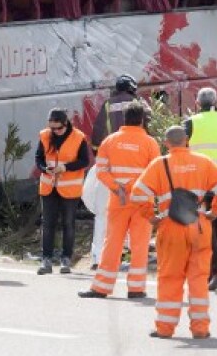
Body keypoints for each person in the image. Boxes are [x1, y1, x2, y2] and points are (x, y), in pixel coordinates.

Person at [132, 125, 217, 340]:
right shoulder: (203, 162)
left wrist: (151, 216)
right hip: (199, 227)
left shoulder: (159, 164)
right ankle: (200, 328)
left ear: (166, 143)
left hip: (171, 228)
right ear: (187, 140)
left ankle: (165, 328)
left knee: (170, 278)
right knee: (198, 279)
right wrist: (214, 211)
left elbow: (138, 194)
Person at [78, 101, 158, 299]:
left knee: (112, 243)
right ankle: (136, 289)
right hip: (142, 201)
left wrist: (116, 187)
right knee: (139, 245)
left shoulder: (110, 141)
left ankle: (101, 288)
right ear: (142, 120)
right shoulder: (150, 143)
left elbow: (101, 170)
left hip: (117, 200)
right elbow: (156, 174)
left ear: (124, 118)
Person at [184, 87, 217, 292]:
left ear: (197, 103)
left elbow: (181, 148)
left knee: (205, 228)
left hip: (202, 182)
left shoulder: (191, 122)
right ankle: (212, 273)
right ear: (216, 102)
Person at [87, 75, 138, 268]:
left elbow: (97, 134)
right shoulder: (138, 104)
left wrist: (100, 156)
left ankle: (97, 258)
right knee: (132, 216)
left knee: (103, 214)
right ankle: (128, 258)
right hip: (134, 171)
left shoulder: (108, 105)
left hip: (108, 170)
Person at [35, 108, 90, 274]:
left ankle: (66, 259)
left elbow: (84, 161)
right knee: (47, 223)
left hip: (70, 188)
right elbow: (38, 158)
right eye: (52, 128)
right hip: (49, 186)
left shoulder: (78, 137)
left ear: (66, 123)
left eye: (59, 128)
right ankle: (46, 259)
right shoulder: (45, 136)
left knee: (68, 223)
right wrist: (44, 168)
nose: (55, 131)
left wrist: (65, 167)